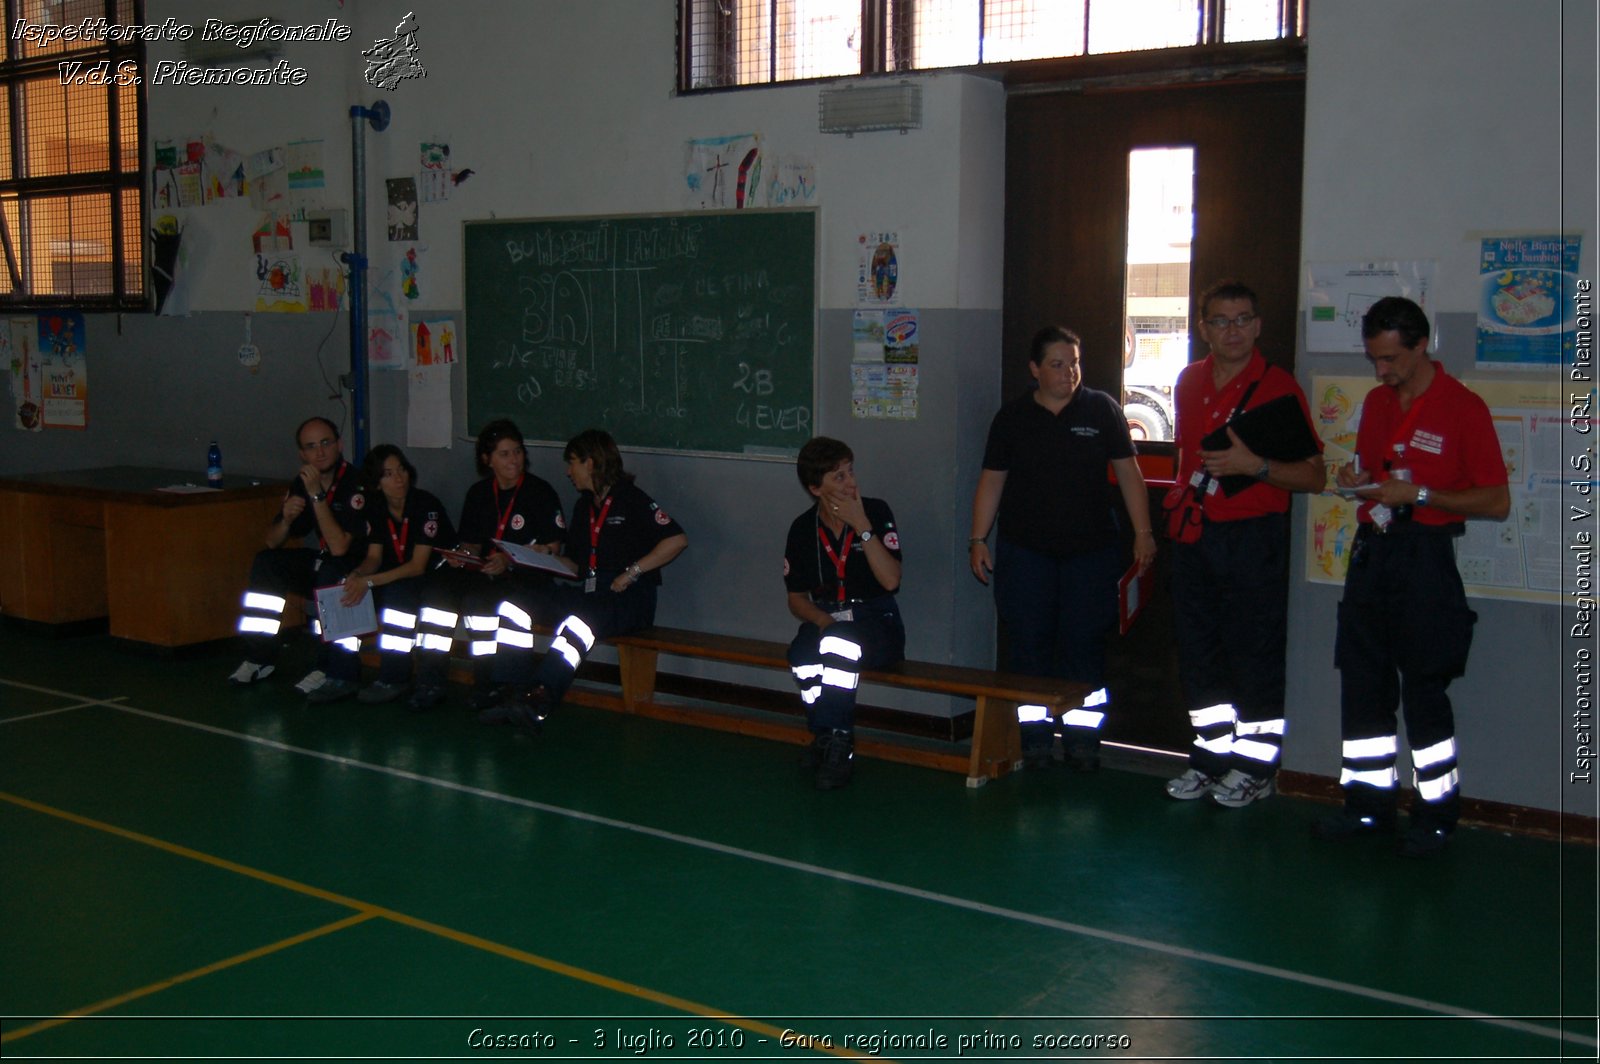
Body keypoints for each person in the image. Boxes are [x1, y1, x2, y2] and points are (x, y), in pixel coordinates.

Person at [1315, 297, 1509, 857]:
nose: (1381, 371)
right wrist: (1360, 480)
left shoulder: (1463, 407)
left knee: (1424, 689)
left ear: (1422, 345)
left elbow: (1496, 501)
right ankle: (1367, 809)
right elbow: (1377, 473)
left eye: (1391, 359)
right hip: (1374, 552)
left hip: (1426, 557)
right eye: (1375, 359)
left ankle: (1436, 816)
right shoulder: (1376, 404)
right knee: (1363, 686)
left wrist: (1420, 494)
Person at [1164, 280, 1325, 807]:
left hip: (1254, 540)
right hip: (1195, 535)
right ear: (1203, 328)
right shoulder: (1187, 382)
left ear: (1257, 326)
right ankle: (1210, 757)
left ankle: (1255, 766)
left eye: (1242, 319)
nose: (1232, 330)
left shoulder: (1278, 386)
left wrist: (1252, 467)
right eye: (1220, 320)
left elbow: (1314, 477)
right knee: (1199, 651)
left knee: (1253, 654)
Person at [969, 326, 1157, 771]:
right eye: (1057, 364)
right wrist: (978, 539)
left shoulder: (1103, 410)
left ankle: (1082, 741)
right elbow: (992, 481)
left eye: (1074, 363)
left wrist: (1143, 532)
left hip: (1090, 554)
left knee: (1084, 647)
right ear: (1035, 370)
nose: (1068, 372)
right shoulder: (1012, 418)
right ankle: (1032, 739)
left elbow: (1130, 475)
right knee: (1028, 647)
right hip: (1025, 553)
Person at [483, 429, 687, 732]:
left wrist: (632, 573)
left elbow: (676, 540)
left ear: (590, 463)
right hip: (592, 591)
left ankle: (540, 696)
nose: (568, 472)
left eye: (572, 463)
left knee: (581, 619)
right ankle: (510, 688)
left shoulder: (631, 499)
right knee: (516, 604)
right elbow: (576, 565)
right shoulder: (583, 506)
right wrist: (542, 555)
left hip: (630, 599)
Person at [408, 420, 565, 712]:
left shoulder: (539, 492)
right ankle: (430, 681)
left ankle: (488, 685)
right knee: (436, 595)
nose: (513, 460)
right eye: (504, 454)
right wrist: (462, 555)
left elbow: (554, 548)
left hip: (524, 579)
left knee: (477, 603)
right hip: (484, 574)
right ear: (487, 459)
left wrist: (509, 560)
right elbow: (473, 545)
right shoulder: (479, 493)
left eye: (517, 452)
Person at [783, 437, 905, 790]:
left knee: (838, 646)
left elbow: (891, 580)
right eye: (838, 477)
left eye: (850, 472)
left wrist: (862, 526)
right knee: (802, 655)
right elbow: (796, 599)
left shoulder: (877, 513)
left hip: (877, 623)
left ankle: (840, 741)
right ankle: (823, 733)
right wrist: (823, 622)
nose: (850, 482)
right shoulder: (802, 529)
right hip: (829, 620)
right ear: (815, 488)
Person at [228, 416, 369, 698]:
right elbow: (272, 540)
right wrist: (287, 519)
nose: (320, 452)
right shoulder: (302, 482)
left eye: (326, 443)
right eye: (311, 447)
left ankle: (330, 668)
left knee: (331, 573)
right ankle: (259, 657)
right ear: (302, 454)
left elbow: (340, 547)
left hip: (358, 567)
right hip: (323, 559)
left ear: (339, 445)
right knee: (267, 562)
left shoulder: (356, 484)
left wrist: (317, 497)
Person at [340, 444, 455, 705]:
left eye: (401, 469)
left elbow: (418, 565)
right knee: (386, 595)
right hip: (402, 579)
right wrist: (357, 575)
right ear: (377, 482)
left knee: (425, 604)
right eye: (388, 474)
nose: (399, 478)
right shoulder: (377, 508)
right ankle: (385, 677)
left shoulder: (426, 505)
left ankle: (430, 684)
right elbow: (374, 557)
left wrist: (368, 581)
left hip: (439, 577)